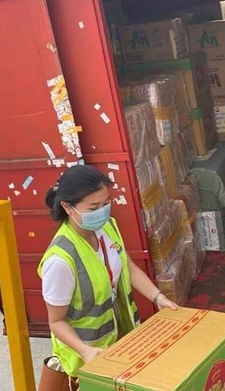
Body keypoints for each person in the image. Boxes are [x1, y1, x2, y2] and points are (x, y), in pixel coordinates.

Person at [37, 165, 177, 390]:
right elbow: (56, 322)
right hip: (86, 357)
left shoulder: (107, 227)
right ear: (68, 207)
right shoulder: (60, 261)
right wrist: (85, 351)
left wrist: (158, 297)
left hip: (118, 344)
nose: (102, 212)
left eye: (106, 203)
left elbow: (127, 266)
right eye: (93, 207)